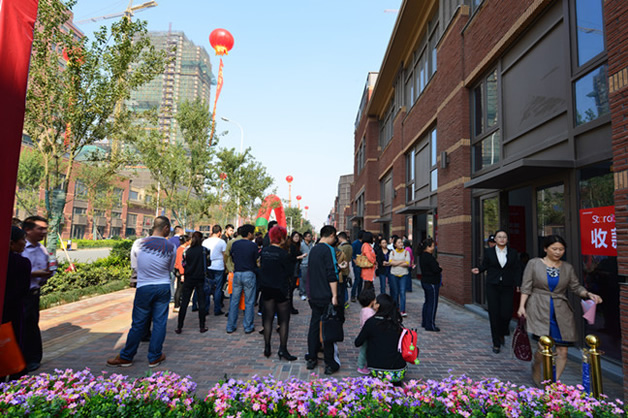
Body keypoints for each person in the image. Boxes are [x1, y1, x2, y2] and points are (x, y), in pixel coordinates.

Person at [517, 235, 602, 385]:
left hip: (561, 310)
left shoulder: (567, 268)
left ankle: (553, 384)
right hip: (539, 307)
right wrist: (522, 306)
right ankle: (536, 365)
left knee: (563, 350)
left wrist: (588, 294)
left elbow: (575, 287)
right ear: (545, 249)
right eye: (554, 249)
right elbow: (526, 286)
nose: (558, 252)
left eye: (561, 249)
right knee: (543, 347)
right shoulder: (534, 263)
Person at [107, 216, 175, 368]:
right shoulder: (171, 246)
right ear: (165, 228)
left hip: (144, 286)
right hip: (163, 286)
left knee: (138, 323)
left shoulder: (139, 243)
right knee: (160, 323)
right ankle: (154, 357)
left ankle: (127, 356)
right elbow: (170, 268)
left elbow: (135, 266)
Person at [471, 229, 521, 354]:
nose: (502, 239)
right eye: (499, 237)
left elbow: (517, 269)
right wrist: (479, 270)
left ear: (507, 239)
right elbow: (485, 265)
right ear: (496, 239)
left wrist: (518, 283)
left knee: (506, 313)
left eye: (504, 237)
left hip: (507, 285)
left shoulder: (513, 253)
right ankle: (496, 343)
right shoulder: (489, 252)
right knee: (494, 314)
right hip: (492, 286)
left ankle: (502, 331)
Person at [305, 225, 341, 375]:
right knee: (327, 328)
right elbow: (332, 274)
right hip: (326, 294)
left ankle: (312, 357)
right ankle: (329, 363)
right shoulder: (328, 250)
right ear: (331, 235)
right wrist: (335, 295)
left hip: (314, 294)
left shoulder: (313, 249)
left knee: (314, 326)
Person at [259, 226, 297, 361]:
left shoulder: (264, 252)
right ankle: (283, 349)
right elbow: (289, 272)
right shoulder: (284, 254)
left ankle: (267, 347)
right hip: (280, 288)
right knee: (284, 320)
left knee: (268, 318)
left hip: (266, 287)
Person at [22, 215, 53, 372]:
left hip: (33, 293)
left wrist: (47, 274)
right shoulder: (19, 247)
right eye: (40, 228)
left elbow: (47, 269)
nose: (44, 232)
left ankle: (33, 359)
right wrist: (34, 274)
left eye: (45, 229)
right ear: (28, 230)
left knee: (32, 326)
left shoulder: (42, 249)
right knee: (19, 327)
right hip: (19, 294)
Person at [354, 293, 407, 383]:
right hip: (399, 372)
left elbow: (357, 343)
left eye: (375, 302)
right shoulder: (396, 323)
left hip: (378, 371)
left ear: (378, 306)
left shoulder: (371, 322)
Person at [2, 226, 31, 379]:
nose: (25, 243)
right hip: (14, 310)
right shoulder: (22, 263)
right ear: (12, 243)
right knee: (13, 342)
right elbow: (24, 289)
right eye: (22, 240)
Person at [226, 224, 259, 334]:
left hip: (237, 273)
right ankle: (248, 326)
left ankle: (230, 326)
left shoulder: (235, 244)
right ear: (249, 234)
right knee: (249, 301)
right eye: (253, 233)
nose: (253, 235)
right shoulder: (253, 246)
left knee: (234, 301)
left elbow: (232, 256)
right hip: (249, 273)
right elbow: (255, 260)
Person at [418, 238, 442, 332]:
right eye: (432, 246)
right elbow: (436, 269)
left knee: (427, 302)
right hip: (432, 282)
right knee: (432, 304)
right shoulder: (429, 257)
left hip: (425, 281)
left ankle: (425, 322)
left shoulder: (422, 256)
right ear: (428, 247)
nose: (433, 248)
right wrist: (440, 268)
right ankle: (430, 324)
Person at [203, 225, 227, 316]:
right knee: (218, 289)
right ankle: (217, 309)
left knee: (207, 289)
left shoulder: (205, 241)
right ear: (219, 232)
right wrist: (225, 266)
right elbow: (224, 256)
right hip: (219, 266)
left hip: (208, 266)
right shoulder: (222, 242)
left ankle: (206, 309)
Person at [385, 237, 411, 317]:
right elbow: (390, 262)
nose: (401, 244)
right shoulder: (392, 252)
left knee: (402, 292)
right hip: (394, 274)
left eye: (401, 242)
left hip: (403, 274)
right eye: (399, 242)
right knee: (395, 292)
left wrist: (396, 262)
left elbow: (407, 263)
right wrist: (402, 261)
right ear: (395, 244)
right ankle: (396, 308)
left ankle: (402, 310)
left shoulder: (406, 252)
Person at [356, 288, 377, 374]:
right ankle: (361, 366)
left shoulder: (363, 310)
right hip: (368, 334)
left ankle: (364, 364)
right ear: (372, 301)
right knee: (364, 350)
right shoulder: (370, 312)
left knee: (364, 349)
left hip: (364, 332)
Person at [286, 231, 305, 314]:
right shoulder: (291, 246)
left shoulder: (297, 246)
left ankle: (290, 307)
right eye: (295, 236)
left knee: (292, 288)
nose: (297, 238)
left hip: (295, 269)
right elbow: (290, 258)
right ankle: (289, 307)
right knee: (290, 289)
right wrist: (300, 257)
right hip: (292, 270)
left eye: (298, 236)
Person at [172, 234, 190, 313]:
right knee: (179, 288)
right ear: (186, 241)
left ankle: (178, 304)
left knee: (180, 288)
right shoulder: (182, 250)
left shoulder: (180, 249)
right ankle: (177, 305)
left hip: (178, 270)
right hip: (180, 271)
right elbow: (180, 262)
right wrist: (182, 273)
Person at [336, 232, 353, 308]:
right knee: (344, 287)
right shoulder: (350, 246)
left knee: (341, 288)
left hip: (341, 270)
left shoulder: (340, 247)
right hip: (346, 269)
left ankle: (343, 302)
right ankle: (345, 301)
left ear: (340, 237)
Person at [298, 230, 314, 300]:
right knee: (303, 279)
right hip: (303, 264)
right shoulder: (301, 245)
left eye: (310, 236)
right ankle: (302, 293)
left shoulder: (311, 244)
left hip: (310, 264)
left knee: (309, 280)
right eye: (308, 236)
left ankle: (308, 293)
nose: (310, 237)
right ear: (305, 238)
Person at [350, 230, 364, 302]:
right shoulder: (355, 243)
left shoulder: (364, 244)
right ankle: (353, 295)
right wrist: (355, 261)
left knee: (361, 280)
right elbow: (352, 254)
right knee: (357, 279)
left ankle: (359, 295)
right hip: (356, 265)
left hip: (362, 264)